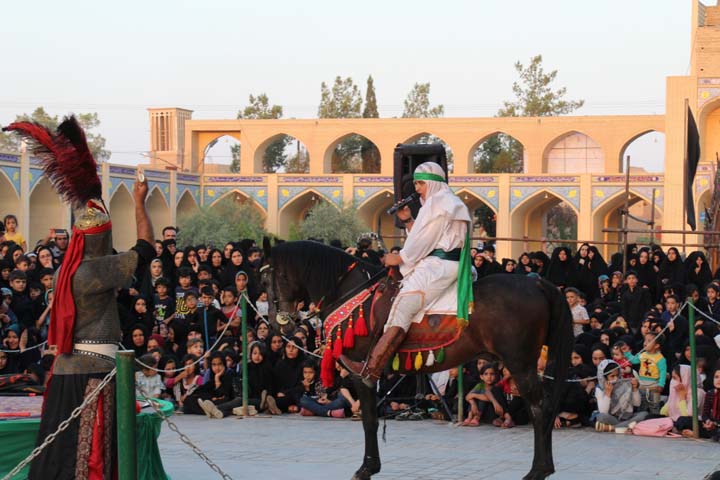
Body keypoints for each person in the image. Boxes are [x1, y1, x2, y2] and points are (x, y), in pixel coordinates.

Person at [4, 116, 156, 480]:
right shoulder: (94, 271)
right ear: (100, 236)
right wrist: (139, 201)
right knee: (90, 456)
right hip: (94, 372)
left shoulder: (69, 268)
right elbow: (147, 248)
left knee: (64, 451)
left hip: (71, 368)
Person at [341, 162, 473, 386]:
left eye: (420, 183)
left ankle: (372, 368)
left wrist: (400, 257)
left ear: (433, 182)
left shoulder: (440, 204)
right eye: (416, 184)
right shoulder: (445, 203)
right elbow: (430, 237)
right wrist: (409, 221)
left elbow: (424, 242)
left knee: (403, 304)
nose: (418, 189)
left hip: (440, 265)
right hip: (438, 263)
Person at [594, 359, 647, 432]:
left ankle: (612, 428)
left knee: (644, 415)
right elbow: (603, 411)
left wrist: (635, 389)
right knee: (601, 417)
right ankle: (626, 426)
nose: (616, 379)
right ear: (604, 377)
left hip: (628, 417)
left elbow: (636, 404)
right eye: (612, 376)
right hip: (612, 418)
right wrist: (608, 393)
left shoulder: (624, 383)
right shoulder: (600, 388)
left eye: (617, 375)